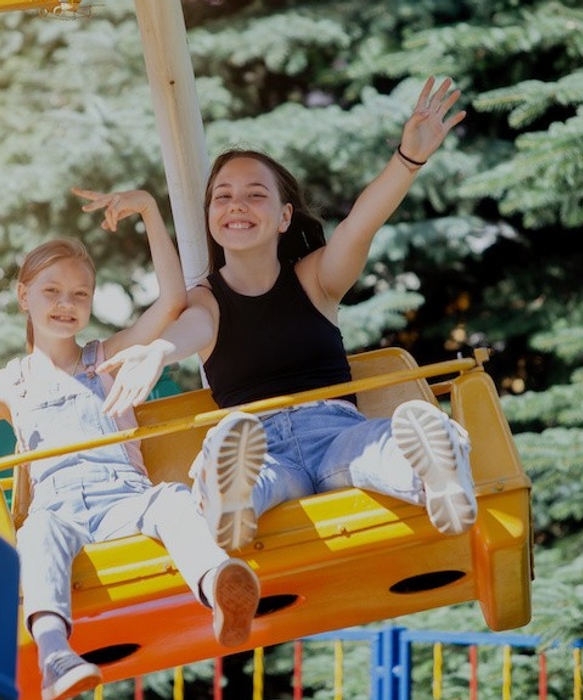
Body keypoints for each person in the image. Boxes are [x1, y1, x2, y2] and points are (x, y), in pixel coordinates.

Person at [0, 190, 260, 700]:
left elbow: (172, 302)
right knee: (36, 532)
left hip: (126, 499)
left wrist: (148, 209)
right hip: (61, 510)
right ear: (24, 296)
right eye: (52, 291)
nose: (66, 304)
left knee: (170, 501)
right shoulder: (4, 383)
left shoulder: (108, 357)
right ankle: (56, 654)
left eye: (80, 295)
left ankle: (220, 587)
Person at [96, 77, 478, 553]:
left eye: (255, 194)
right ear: (212, 219)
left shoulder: (315, 279)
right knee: (259, 477)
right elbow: (191, 330)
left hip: (334, 429)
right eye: (223, 196)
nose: (236, 203)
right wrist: (157, 349)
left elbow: (362, 223)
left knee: (372, 450)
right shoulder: (207, 299)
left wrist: (408, 159)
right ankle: (227, 494)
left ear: (283, 217)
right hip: (256, 442)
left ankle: (431, 470)